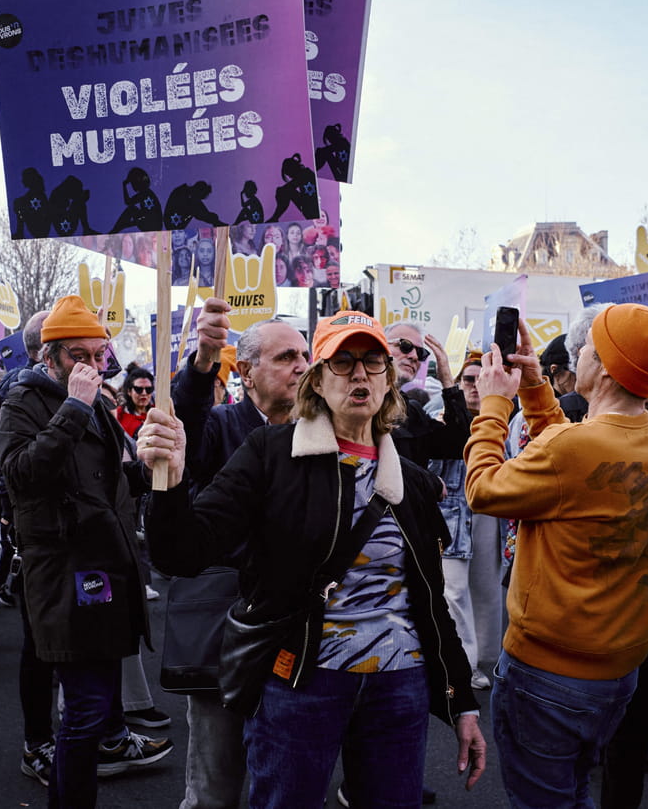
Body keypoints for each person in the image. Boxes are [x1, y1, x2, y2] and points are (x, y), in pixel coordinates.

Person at [142, 312, 486, 807]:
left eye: (373, 362)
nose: (360, 374)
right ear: (318, 380)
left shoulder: (409, 479)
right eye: (342, 362)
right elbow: (182, 552)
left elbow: (430, 601)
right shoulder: (270, 453)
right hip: (302, 681)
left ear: (389, 380)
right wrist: (169, 483)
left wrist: (462, 702)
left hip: (399, 687)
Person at [464, 304, 648, 806]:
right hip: (617, 667)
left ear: (605, 367)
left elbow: (483, 490)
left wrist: (494, 405)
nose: (576, 354)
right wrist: (536, 386)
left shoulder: (574, 447)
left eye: (585, 348)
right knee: (576, 788)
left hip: (548, 674)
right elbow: (573, 459)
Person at [0, 296, 172, 808]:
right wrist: (72, 408)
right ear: (48, 357)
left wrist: (149, 469)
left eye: (99, 354)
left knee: (94, 704)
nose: (92, 366)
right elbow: (23, 476)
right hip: (66, 570)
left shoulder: (99, 401)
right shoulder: (22, 401)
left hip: (107, 564)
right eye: (79, 355)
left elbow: (108, 478)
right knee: (85, 709)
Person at [166, 304, 310, 809]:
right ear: (245, 372)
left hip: (299, 631)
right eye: (287, 356)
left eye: (307, 355)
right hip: (225, 629)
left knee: (288, 781)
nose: (303, 366)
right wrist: (203, 361)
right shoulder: (222, 426)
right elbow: (182, 425)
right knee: (215, 782)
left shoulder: (322, 435)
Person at [428, 355, 503, 692]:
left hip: (489, 513)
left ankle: (483, 658)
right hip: (452, 518)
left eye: (478, 379)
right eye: (468, 380)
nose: (474, 386)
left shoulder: (501, 418)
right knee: (454, 592)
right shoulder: (441, 418)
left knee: (486, 591)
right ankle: (463, 665)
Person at [385, 321, 470, 468]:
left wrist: (448, 382)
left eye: (421, 353)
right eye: (405, 346)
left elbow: (460, 443)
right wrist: (428, 481)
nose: (414, 357)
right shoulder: (358, 401)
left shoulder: (413, 412)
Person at [115, 367, 154, 439]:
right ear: (129, 391)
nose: (144, 393)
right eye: (138, 389)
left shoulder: (158, 411)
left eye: (148, 389)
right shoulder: (118, 415)